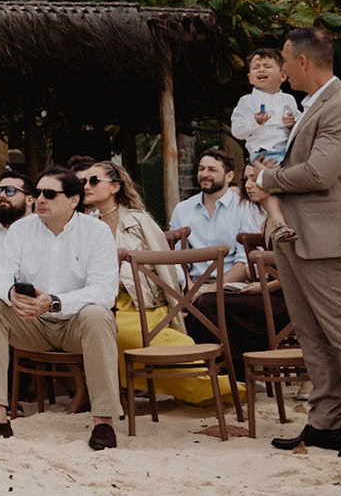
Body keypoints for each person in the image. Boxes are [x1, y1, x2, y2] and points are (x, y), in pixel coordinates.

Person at [246, 27, 341, 458]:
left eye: (283, 60)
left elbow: (320, 172)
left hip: (323, 234)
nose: (280, 69)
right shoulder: (313, 105)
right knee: (310, 332)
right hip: (298, 233)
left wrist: (265, 179)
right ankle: (327, 423)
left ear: (302, 62)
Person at [0, 168, 121, 449]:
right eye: (38, 193)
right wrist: (12, 295)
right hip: (31, 323)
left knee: (98, 314)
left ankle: (104, 421)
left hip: (76, 323)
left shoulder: (97, 231)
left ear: (74, 200)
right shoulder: (20, 229)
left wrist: (54, 301)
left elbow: (104, 292)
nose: (40, 199)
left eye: (50, 194)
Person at [81, 160, 230, 407]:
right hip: (101, 303)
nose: (86, 186)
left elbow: (169, 269)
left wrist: (173, 311)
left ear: (115, 187)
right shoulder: (85, 225)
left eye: (94, 180)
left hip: (141, 305)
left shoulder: (139, 221)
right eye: (83, 182)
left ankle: (219, 388)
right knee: (97, 330)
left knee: (122, 335)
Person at [167, 149, 262, 284]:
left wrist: (213, 289)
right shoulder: (182, 209)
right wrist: (189, 289)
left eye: (212, 170)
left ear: (229, 176)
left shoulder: (243, 207)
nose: (205, 174)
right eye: (201, 169)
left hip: (231, 286)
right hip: (191, 285)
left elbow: (244, 261)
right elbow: (176, 259)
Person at [231, 47, 301, 164]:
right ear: (250, 78)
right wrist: (256, 123)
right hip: (262, 154)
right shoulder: (247, 101)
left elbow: (303, 127)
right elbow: (237, 132)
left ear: (282, 76)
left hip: (289, 152)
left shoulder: (288, 100)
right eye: (256, 67)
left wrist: (293, 124)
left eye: (267, 66)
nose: (261, 70)